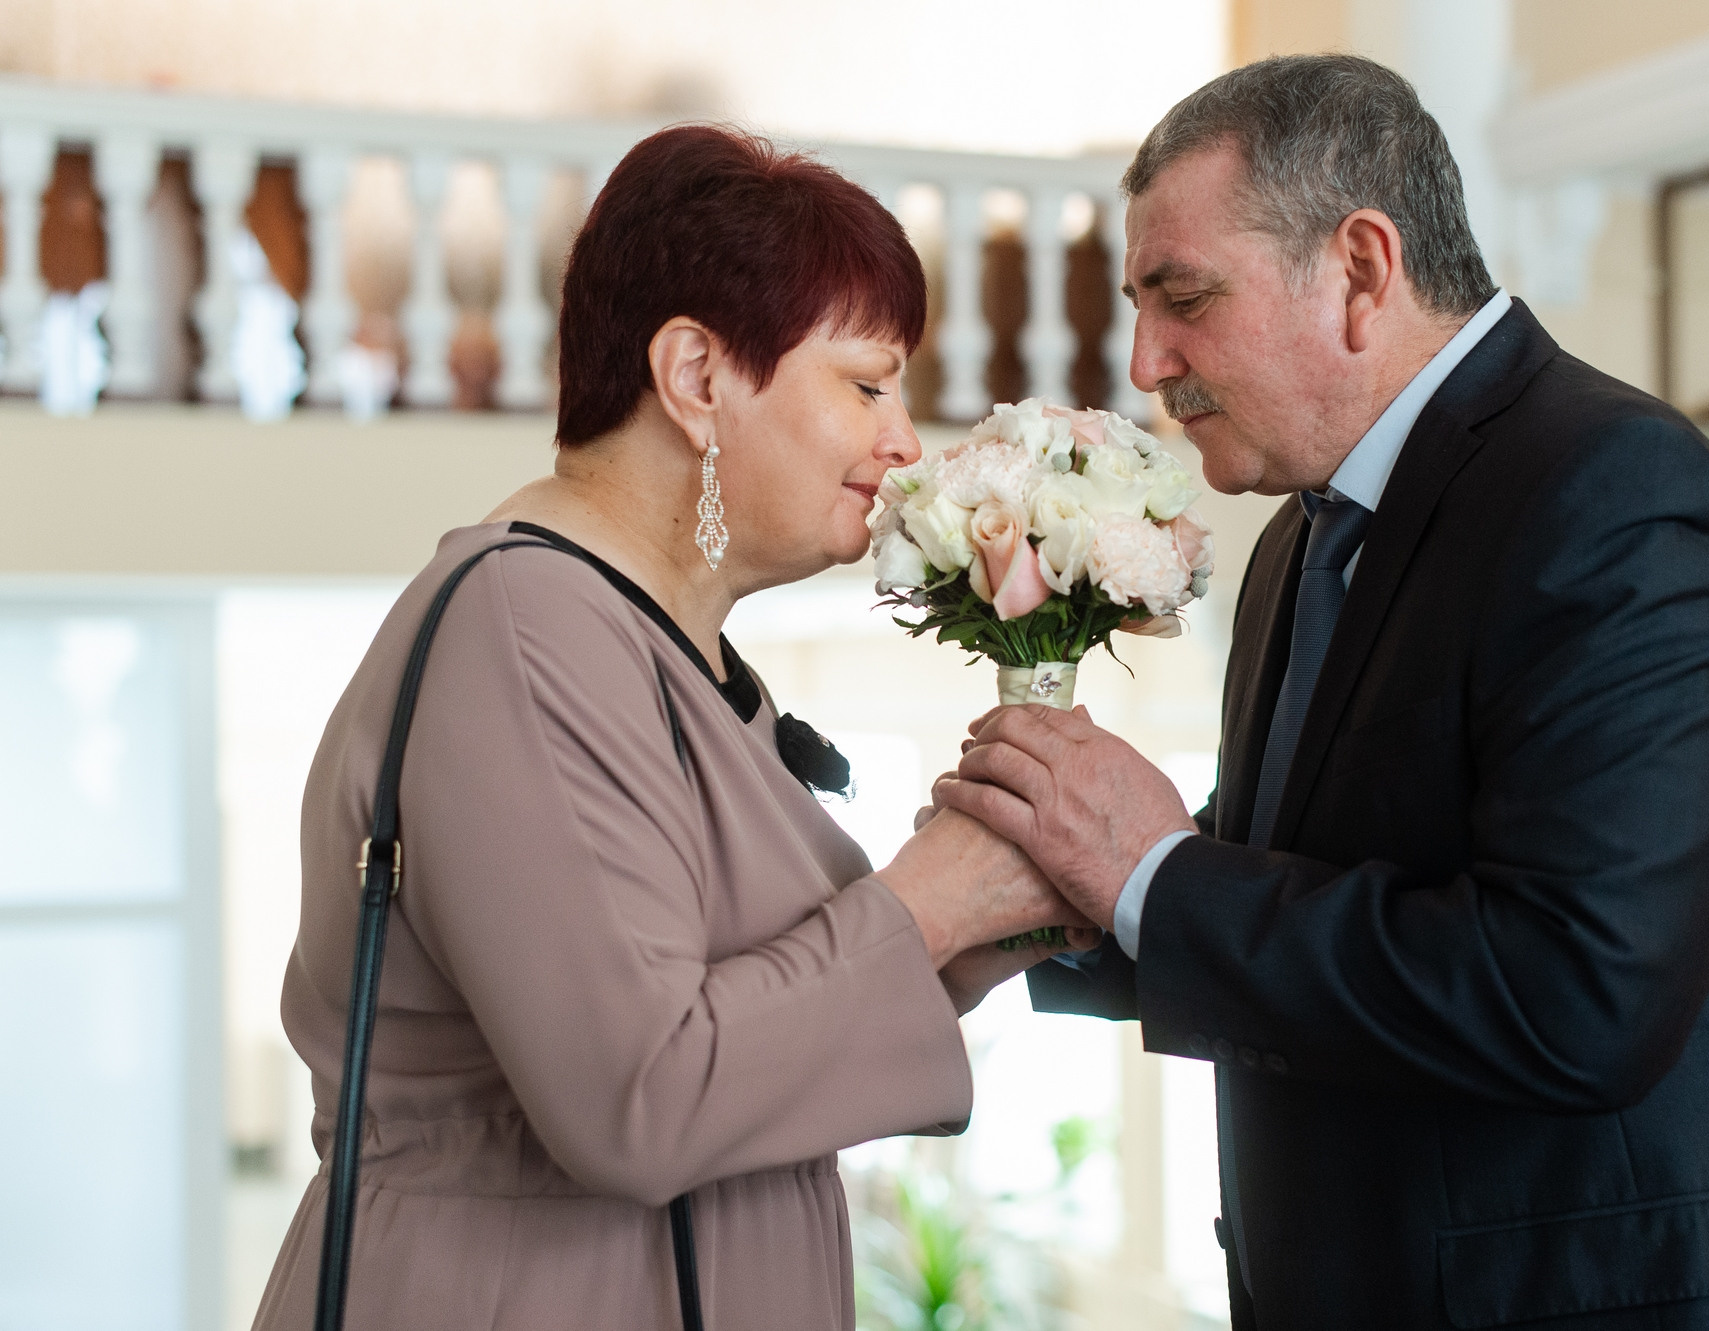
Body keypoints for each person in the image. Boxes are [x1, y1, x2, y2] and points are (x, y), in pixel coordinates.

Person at [935, 55, 1709, 1330]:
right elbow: (1303, 874)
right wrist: (1038, 903)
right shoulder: (1301, 533)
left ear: (1358, 269)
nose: (1143, 358)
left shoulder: (1618, 491)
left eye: (1181, 298)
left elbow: (1574, 993)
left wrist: (1152, 874)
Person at [252, 125, 1091, 1331]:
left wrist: (1015, 882)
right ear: (696, 376)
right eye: (864, 384)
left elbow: (760, 1008)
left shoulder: (657, 646)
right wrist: (933, 899)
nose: (904, 442)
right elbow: (641, 1093)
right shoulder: (521, 622)